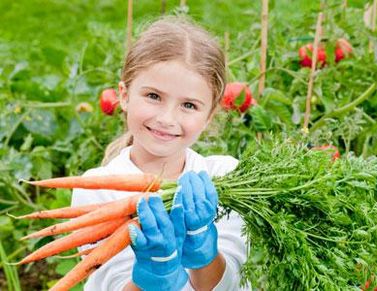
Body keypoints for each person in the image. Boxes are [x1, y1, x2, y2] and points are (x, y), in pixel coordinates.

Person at [71, 16, 249, 291]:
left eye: (189, 105)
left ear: (210, 115)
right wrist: (154, 276)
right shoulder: (96, 189)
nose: (167, 118)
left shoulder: (224, 177)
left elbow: (231, 284)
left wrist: (204, 251)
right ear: (125, 95)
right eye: (154, 96)